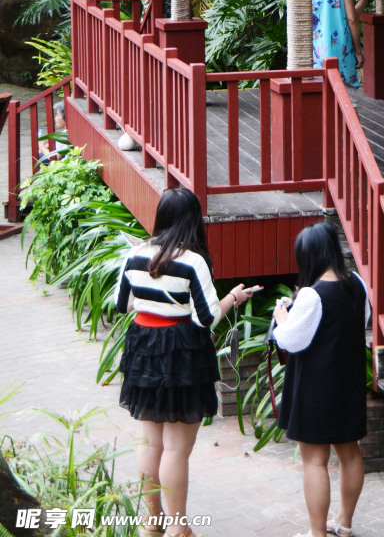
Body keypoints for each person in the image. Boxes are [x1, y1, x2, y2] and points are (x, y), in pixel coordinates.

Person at [115, 187, 256, 537]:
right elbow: (206, 318)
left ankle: (152, 522)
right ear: (193, 220)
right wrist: (233, 298)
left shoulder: (135, 255)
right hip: (181, 352)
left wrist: (154, 305)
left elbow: (123, 304)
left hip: (143, 348)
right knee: (176, 448)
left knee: (150, 441)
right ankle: (179, 528)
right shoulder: (193, 261)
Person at [272, 222, 370, 537]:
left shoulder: (313, 295)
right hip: (348, 381)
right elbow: (361, 321)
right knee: (350, 451)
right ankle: (344, 523)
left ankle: (317, 533)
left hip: (316, 387)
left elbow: (290, 340)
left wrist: (282, 318)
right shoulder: (356, 282)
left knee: (315, 460)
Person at [37, 100, 69, 165]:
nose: (55, 118)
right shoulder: (65, 133)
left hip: (58, 163)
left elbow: (54, 157)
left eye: (58, 115)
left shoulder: (67, 136)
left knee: (39, 157)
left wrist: (41, 146)